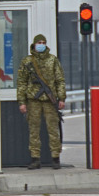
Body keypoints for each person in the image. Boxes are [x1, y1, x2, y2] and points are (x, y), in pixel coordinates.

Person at [17, 34, 66, 170]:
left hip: (50, 101)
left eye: (43, 42)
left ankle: (55, 158)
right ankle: (35, 159)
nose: (41, 44)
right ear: (34, 44)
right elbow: (21, 82)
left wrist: (61, 98)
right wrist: (22, 101)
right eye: (39, 42)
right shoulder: (27, 61)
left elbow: (60, 80)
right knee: (34, 130)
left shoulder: (53, 60)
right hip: (33, 100)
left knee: (53, 130)